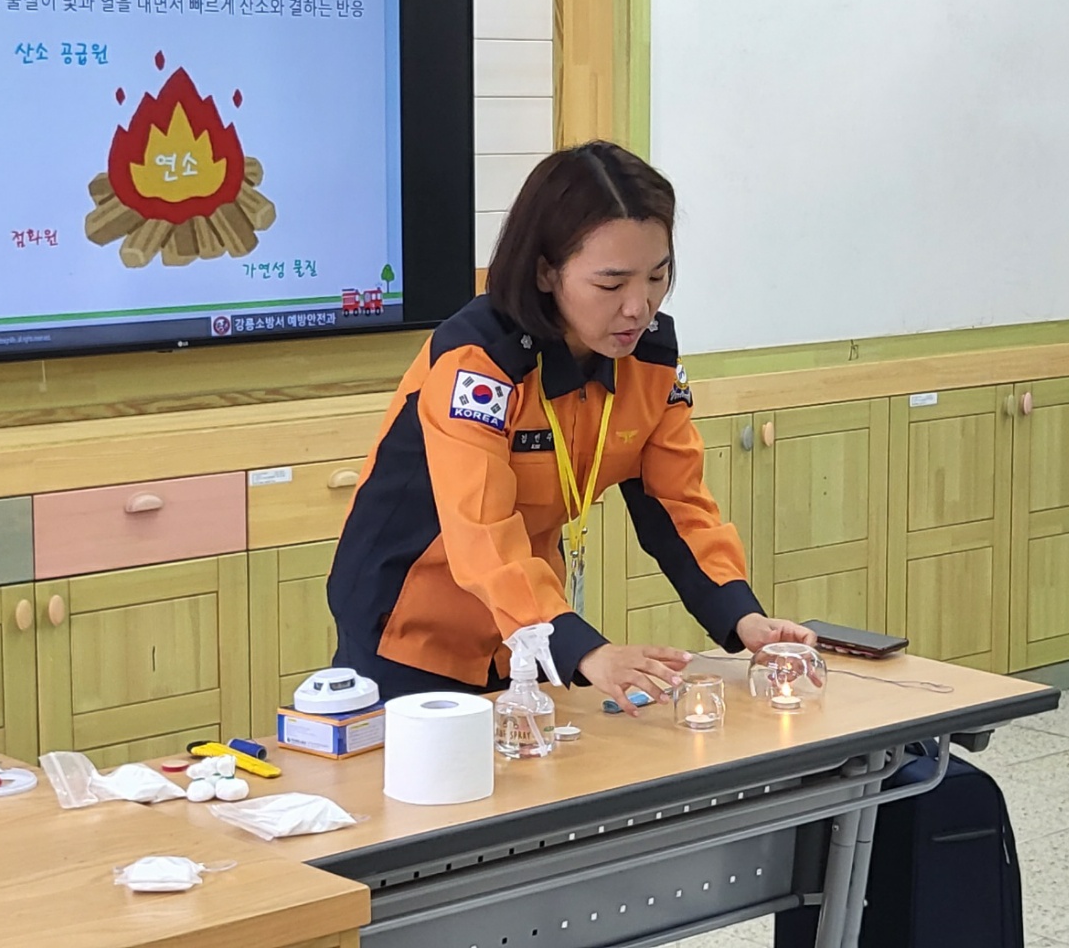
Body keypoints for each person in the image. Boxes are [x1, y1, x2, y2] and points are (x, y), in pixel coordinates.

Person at [327, 140, 815, 715]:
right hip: (409, 628)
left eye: (657, 276)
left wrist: (742, 616)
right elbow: (482, 533)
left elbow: (679, 506)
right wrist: (585, 651)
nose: (639, 307)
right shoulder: (479, 363)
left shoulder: (649, 361)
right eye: (611, 285)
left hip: (527, 628)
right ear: (545, 271)